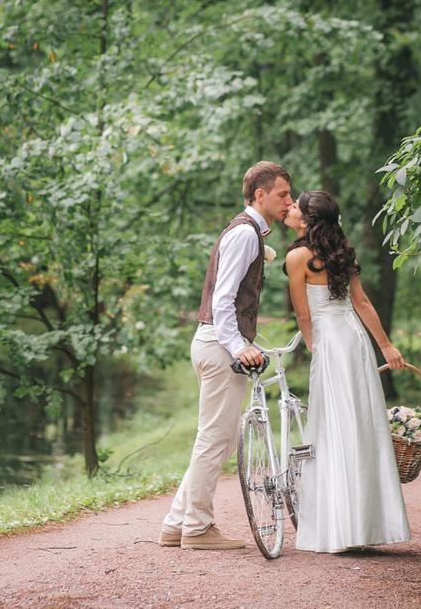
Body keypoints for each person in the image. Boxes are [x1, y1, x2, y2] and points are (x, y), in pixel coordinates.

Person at [159, 161, 294, 551]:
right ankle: (198, 529)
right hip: (219, 346)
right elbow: (223, 299)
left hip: (213, 343)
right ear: (260, 195)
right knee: (214, 440)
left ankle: (175, 523)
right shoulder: (245, 235)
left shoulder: (249, 232)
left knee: (216, 437)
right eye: (282, 194)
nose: (288, 201)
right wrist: (240, 346)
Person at [283, 189, 411, 553]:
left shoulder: (297, 256)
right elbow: (362, 302)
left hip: (329, 342)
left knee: (333, 427)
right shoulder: (342, 251)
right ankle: (366, 524)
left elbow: (303, 314)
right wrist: (385, 345)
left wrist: (313, 346)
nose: (290, 210)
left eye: (295, 207)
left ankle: (340, 527)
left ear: (307, 220)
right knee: (361, 424)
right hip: (355, 340)